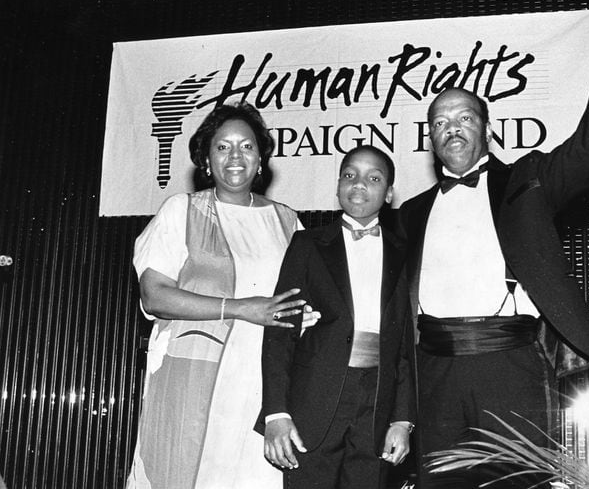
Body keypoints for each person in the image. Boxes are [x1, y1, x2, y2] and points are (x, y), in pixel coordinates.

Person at [397, 0, 589, 487]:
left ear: (487, 129)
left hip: (511, 366)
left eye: (465, 118)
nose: (452, 128)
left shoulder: (528, 181)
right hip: (434, 374)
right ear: (429, 138)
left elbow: (588, 152)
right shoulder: (409, 213)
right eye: (440, 122)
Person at [126, 101, 320, 489]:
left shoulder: (288, 222)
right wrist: (241, 309)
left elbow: (303, 299)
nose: (235, 157)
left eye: (247, 147)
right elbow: (155, 296)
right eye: (223, 147)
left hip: (265, 383)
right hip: (194, 379)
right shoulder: (180, 210)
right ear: (206, 160)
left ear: (261, 160)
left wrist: (307, 317)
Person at [258, 145, 415, 489]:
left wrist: (403, 419)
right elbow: (280, 332)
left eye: (373, 178)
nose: (359, 184)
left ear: (388, 193)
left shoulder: (404, 253)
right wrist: (276, 413)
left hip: (377, 404)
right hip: (314, 400)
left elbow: (404, 345)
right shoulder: (307, 245)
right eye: (350, 175)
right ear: (338, 186)